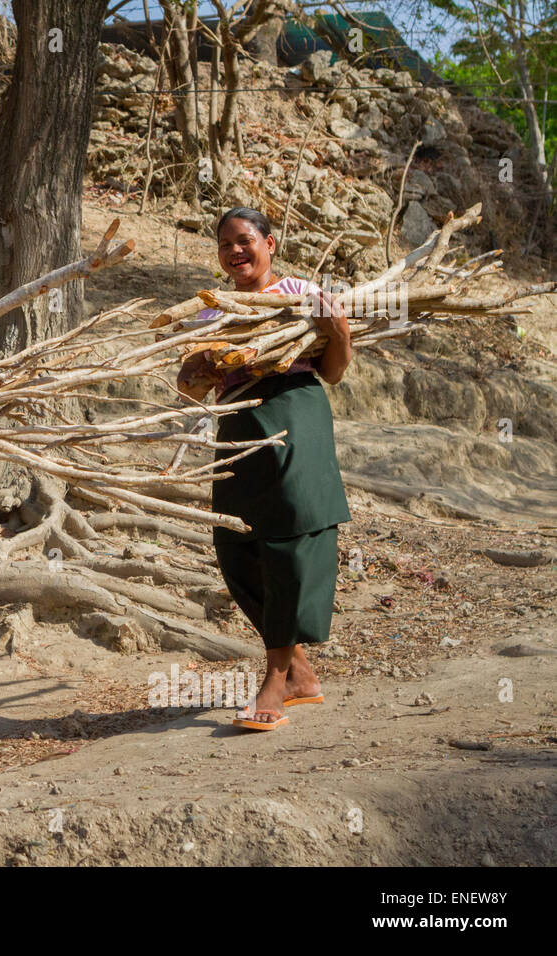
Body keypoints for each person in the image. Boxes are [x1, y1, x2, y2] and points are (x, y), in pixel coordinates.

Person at [177, 207, 353, 732]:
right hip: (239, 422)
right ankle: (298, 669)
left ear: (269, 244)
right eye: (226, 244)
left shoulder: (300, 292)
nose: (236, 251)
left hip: (296, 410)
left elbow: (335, 370)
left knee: (293, 530)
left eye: (245, 240)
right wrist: (198, 369)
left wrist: (337, 328)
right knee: (237, 545)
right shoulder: (214, 311)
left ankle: (276, 677)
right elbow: (189, 389)